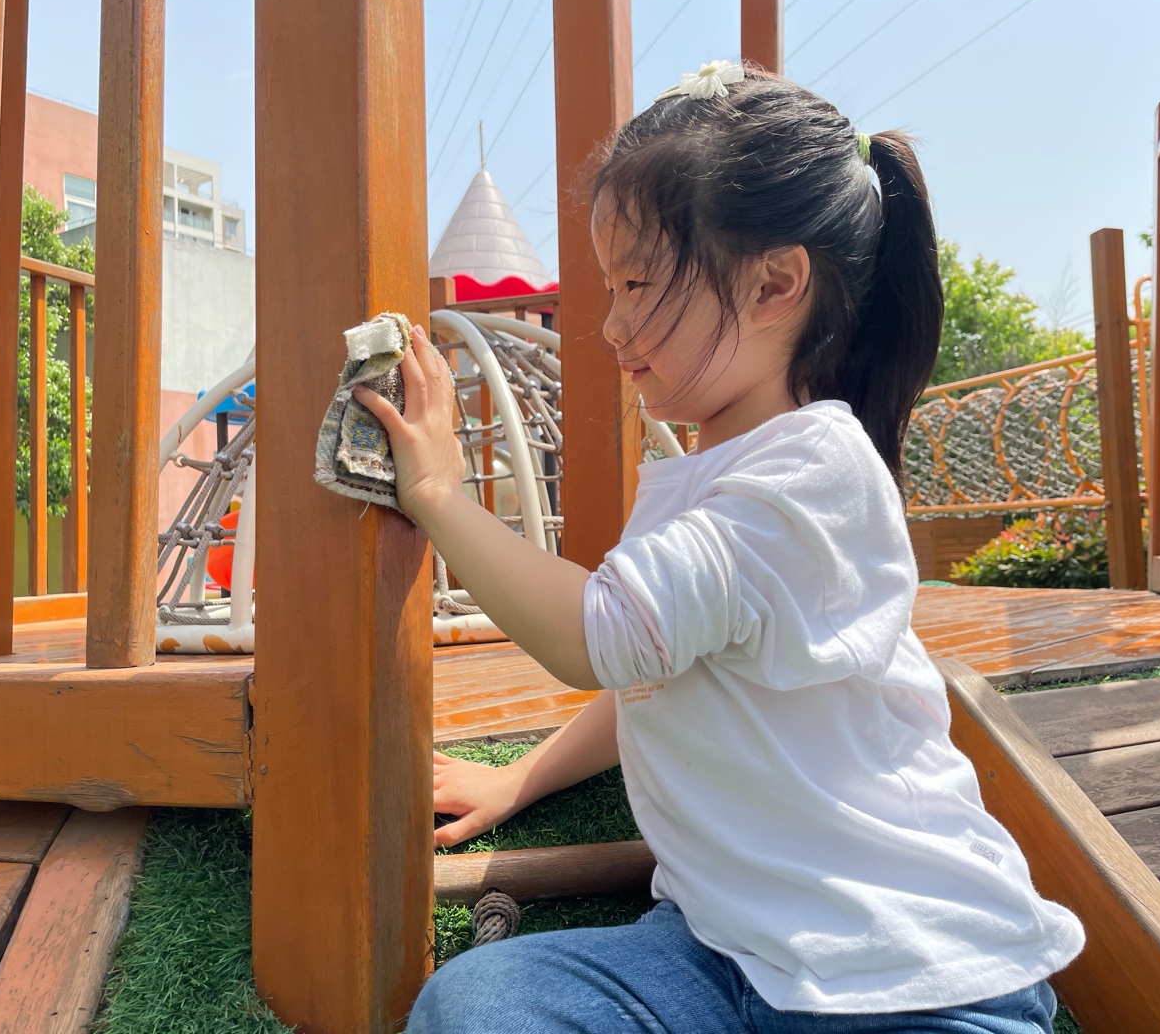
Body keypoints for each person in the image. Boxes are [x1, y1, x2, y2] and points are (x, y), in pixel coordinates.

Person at [356, 61, 1084, 1034]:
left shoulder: (812, 470)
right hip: (722, 950)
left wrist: (440, 494)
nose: (612, 323)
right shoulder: (710, 471)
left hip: (903, 965)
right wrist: (519, 776)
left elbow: (601, 636)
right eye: (609, 287)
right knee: (479, 1004)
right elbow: (658, 676)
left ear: (775, 283)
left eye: (639, 284)